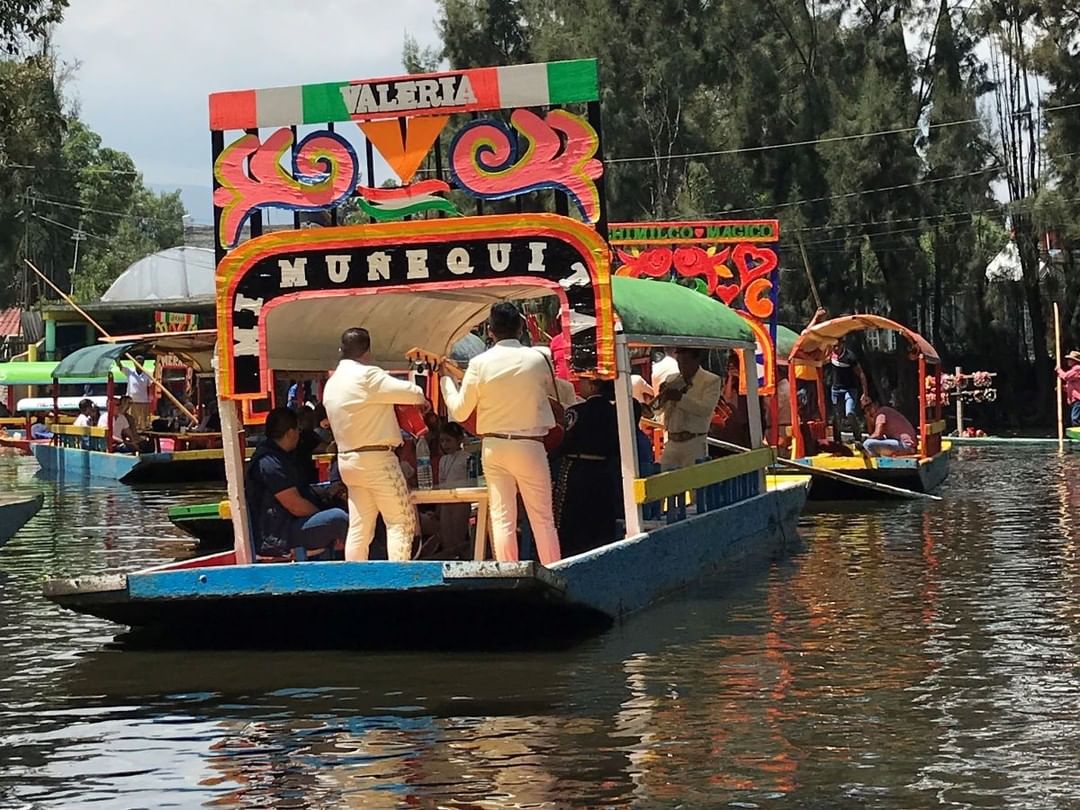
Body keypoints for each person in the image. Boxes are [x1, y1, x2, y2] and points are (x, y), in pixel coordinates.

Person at [439, 302, 561, 565]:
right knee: (542, 518)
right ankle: (554, 571)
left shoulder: (479, 363)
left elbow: (460, 412)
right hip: (530, 444)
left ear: (491, 331)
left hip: (494, 445)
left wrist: (446, 383)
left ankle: (508, 572)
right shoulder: (539, 358)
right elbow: (551, 388)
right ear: (520, 327)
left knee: (502, 516)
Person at [322, 327, 428, 562]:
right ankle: (400, 583)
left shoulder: (332, 383)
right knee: (401, 521)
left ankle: (355, 581)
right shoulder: (368, 375)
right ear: (368, 351)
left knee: (360, 527)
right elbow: (414, 393)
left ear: (342, 350)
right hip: (377, 460)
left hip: (348, 461)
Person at [245, 407, 349, 558]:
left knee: (338, 504)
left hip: (288, 525)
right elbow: (295, 506)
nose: (300, 434)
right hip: (279, 536)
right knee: (338, 519)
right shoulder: (269, 463)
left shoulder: (281, 456)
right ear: (290, 433)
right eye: (298, 430)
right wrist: (322, 518)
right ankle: (361, 566)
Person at [552, 378, 621, 557]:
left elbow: (565, 442)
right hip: (604, 471)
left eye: (583, 382)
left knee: (571, 517)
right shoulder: (616, 413)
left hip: (578, 469)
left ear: (592, 385)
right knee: (601, 518)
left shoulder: (576, 412)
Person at [656, 348, 723, 470]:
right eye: (679, 363)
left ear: (697, 360)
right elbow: (658, 411)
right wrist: (661, 398)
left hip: (694, 442)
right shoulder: (672, 379)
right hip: (671, 441)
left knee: (696, 484)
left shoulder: (711, 380)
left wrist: (680, 398)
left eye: (685, 362)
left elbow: (705, 409)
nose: (682, 367)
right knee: (667, 484)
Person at [827, 337, 867, 443]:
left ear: (842, 345)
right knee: (837, 415)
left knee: (850, 413)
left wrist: (865, 393)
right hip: (836, 390)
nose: (835, 348)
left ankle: (857, 437)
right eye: (833, 346)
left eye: (837, 346)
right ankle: (837, 440)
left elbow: (861, 374)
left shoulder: (850, 357)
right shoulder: (830, 355)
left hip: (849, 389)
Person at [121, 357, 153, 432]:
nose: (139, 364)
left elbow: (151, 386)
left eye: (141, 362)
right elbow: (120, 366)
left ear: (143, 363)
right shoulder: (129, 372)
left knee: (143, 425)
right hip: (131, 402)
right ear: (134, 363)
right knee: (131, 422)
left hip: (143, 402)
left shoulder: (147, 374)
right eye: (137, 362)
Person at [1057, 350, 1080, 426]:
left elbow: (1066, 377)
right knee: (1073, 418)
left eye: (1070, 359)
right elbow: (1073, 386)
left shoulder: (1077, 369)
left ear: (1074, 361)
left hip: (1078, 400)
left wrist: (1059, 371)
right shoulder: (1074, 370)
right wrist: (1063, 388)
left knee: (1075, 418)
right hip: (1074, 400)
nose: (1068, 361)